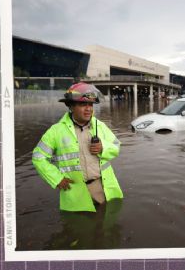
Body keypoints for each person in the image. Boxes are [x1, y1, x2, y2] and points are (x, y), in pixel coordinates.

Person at [32, 82, 123, 213]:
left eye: (90, 104)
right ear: (71, 106)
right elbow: (38, 157)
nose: (88, 109)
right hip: (74, 193)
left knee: (106, 226)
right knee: (79, 228)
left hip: (103, 187)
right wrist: (57, 179)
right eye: (83, 104)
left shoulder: (100, 126)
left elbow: (116, 146)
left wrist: (103, 147)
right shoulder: (56, 131)